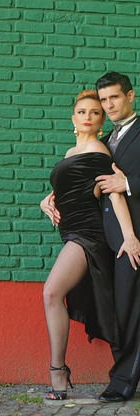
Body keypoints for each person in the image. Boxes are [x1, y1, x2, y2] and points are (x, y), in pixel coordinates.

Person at [40, 90, 139, 400]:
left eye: (95, 113)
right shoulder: (71, 152)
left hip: (88, 235)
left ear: (100, 122)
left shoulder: (97, 149)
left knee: (52, 292)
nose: (88, 116)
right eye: (82, 111)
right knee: (55, 295)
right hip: (71, 232)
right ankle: (59, 371)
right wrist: (47, 201)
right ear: (73, 119)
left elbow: (113, 193)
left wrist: (130, 237)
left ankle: (58, 372)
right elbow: (67, 189)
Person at [92, 72, 140, 403]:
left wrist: (130, 183)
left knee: (127, 310)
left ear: (131, 96)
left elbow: (122, 183)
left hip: (134, 238)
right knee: (116, 310)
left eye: (115, 98)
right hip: (109, 240)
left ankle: (123, 382)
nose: (109, 105)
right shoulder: (107, 138)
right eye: (104, 99)